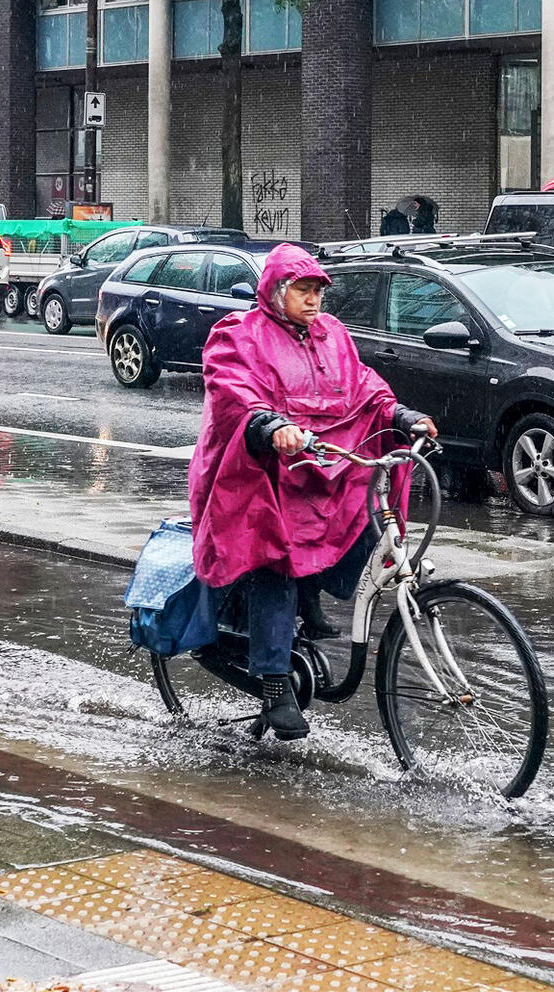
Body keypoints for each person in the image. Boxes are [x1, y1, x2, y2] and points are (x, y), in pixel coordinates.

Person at [187, 244, 437, 740]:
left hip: (323, 470)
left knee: (367, 519)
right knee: (275, 560)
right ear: (276, 292)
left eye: (319, 290)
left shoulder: (334, 335)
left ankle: (312, 590)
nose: (313, 299)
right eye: (303, 290)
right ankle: (275, 684)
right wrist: (268, 424)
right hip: (262, 474)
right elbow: (232, 389)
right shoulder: (240, 335)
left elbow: (363, 388)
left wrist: (400, 416)